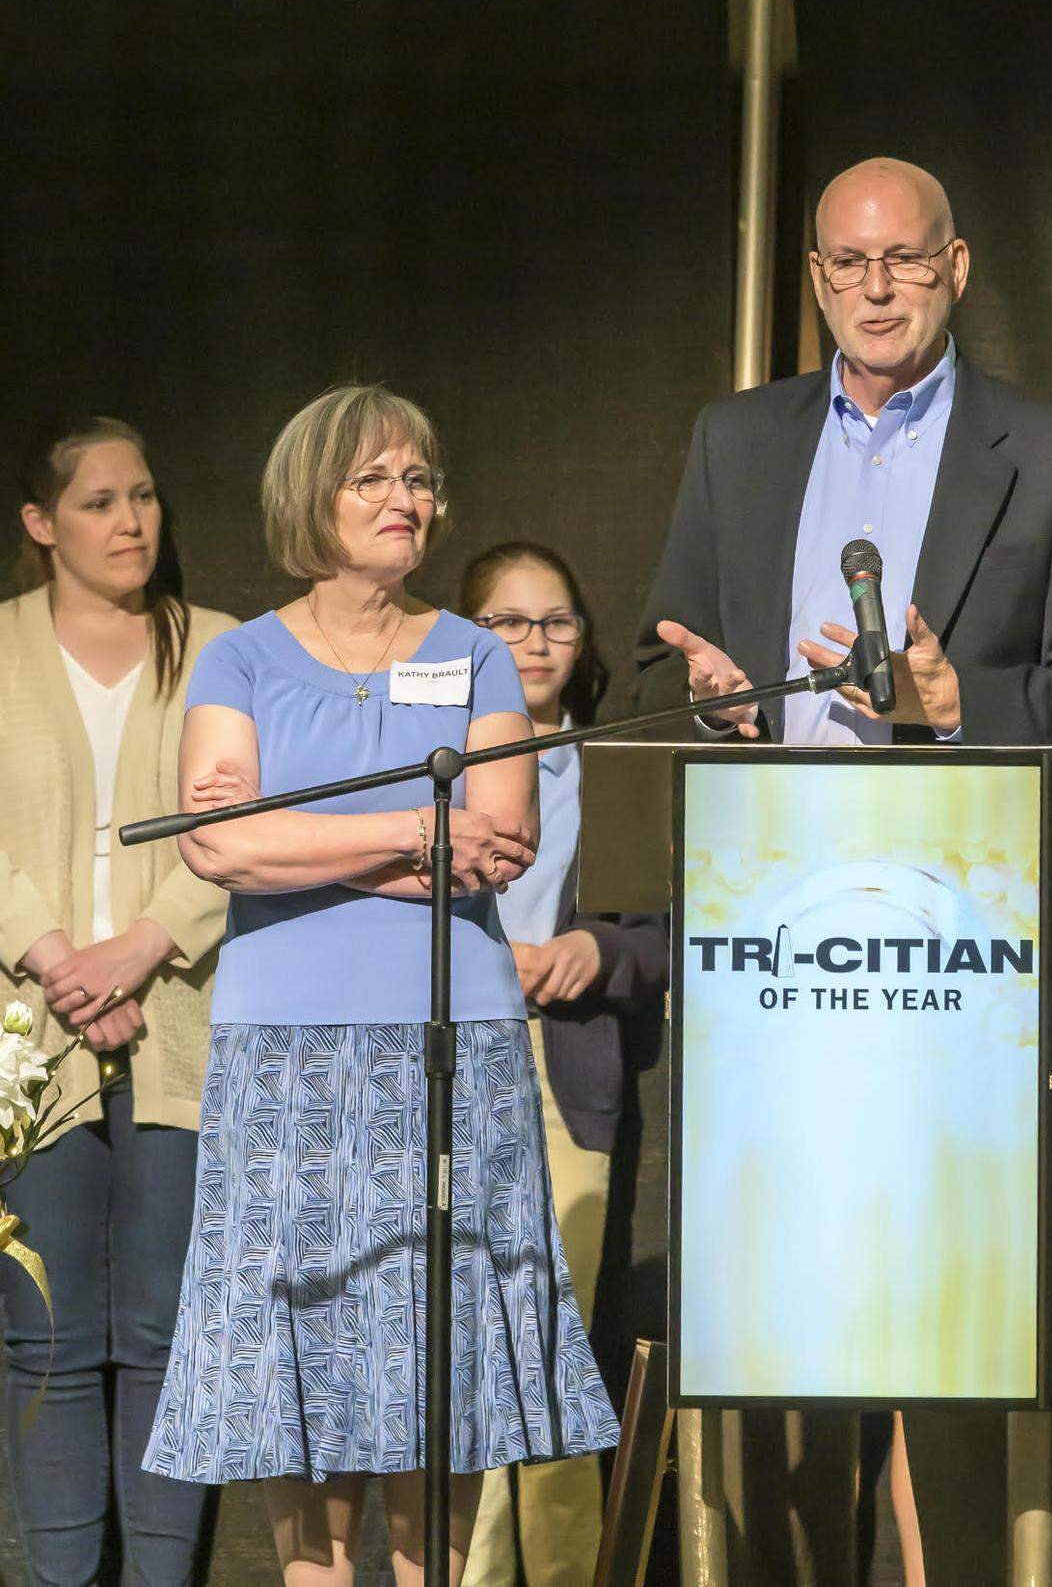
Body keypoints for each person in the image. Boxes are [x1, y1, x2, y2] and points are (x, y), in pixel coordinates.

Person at [635, 157, 1052, 1584]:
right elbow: (657, 648)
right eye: (849, 264)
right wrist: (713, 692)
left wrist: (955, 707)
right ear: (811, 275)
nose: (875, 288)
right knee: (773, 1295)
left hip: (953, 940)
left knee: (942, 1307)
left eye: (904, 262)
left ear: (959, 268)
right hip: (770, 925)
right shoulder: (736, 441)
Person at [141, 385, 620, 1587]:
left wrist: (313, 842)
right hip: (282, 1048)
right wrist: (418, 827)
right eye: (376, 481)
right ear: (314, 499)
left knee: (436, 1324)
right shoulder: (237, 658)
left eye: (417, 480)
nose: (406, 502)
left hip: (446, 1038)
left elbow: (498, 839)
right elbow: (217, 846)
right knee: (296, 1318)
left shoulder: (473, 656)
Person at [0, 417, 235, 1586]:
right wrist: (58, 960)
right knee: (43, 1338)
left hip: (180, 1022)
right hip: (28, 1045)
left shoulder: (224, 651)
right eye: (98, 502)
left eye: (143, 496)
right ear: (42, 525)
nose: (131, 521)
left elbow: (241, 828)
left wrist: (141, 948)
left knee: (165, 1338)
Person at [458, 542, 668, 1587]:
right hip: (441, 1068)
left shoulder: (612, 759)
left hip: (564, 1070)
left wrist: (601, 948)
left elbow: (675, 928)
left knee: (544, 1347)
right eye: (507, 620)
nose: (534, 642)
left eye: (557, 621)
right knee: (454, 1353)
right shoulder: (427, 758)